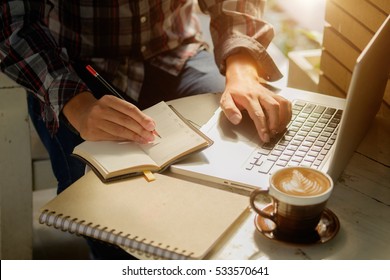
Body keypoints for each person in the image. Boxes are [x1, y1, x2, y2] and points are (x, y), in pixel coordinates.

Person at [0, 0, 292, 259]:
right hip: (74, 74)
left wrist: (242, 68)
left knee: (242, 136)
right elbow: (13, 22)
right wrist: (76, 104)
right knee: (101, 209)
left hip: (176, 54)